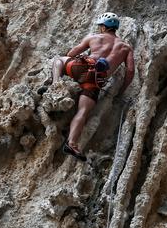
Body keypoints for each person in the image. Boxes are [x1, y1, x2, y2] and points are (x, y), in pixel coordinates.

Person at [39, 12, 135, 159]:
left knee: (58, 60)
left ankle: (56, 84)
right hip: (96, 79)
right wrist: (121, 91)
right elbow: (130, 71)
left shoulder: (94, 37)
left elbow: (72, 52)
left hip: (82, 68)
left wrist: (77, 59)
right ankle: (72, 144)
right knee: (83, 111)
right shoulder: (126, 47)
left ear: (103, 27)